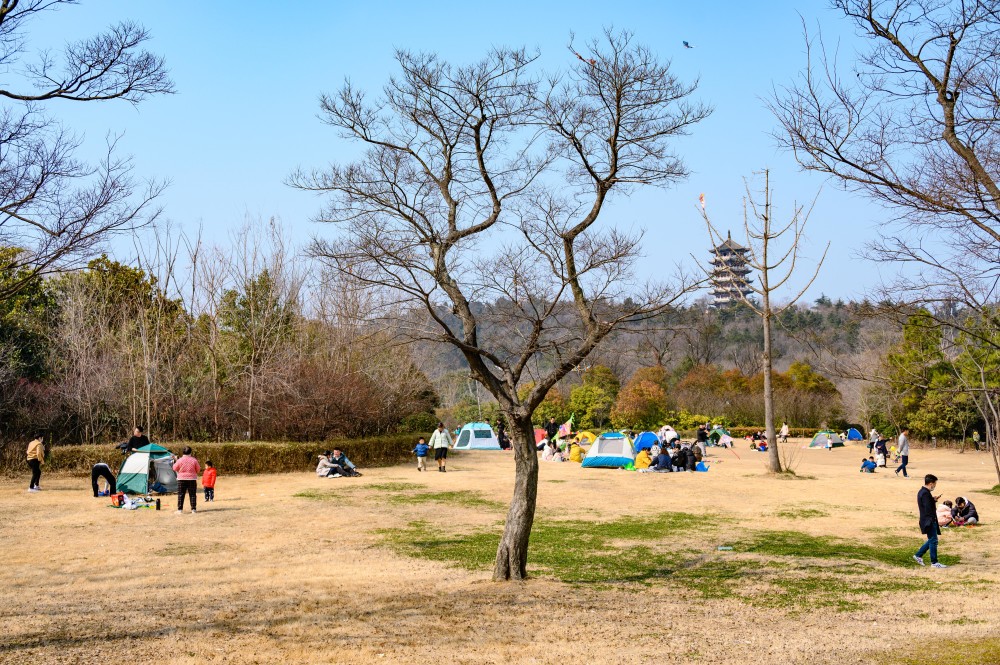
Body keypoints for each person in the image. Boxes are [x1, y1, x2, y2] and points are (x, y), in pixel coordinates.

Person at [914, 474, 947, 568]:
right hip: (928, 520)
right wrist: (933, 520)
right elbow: (927, 508)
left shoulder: (923, 492)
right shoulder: (925, 493)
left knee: (932, 540)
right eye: (935, 484)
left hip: (927, 519)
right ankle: (934, 562)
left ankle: (918, 555)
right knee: (933, 540)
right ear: (931, 483)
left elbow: (927, 504)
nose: (935, 486)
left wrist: (933, 500)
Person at [172, 446, 200, 514]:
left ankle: (180, 509)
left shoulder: (180, 460)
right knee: (192, 494)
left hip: (181, 479)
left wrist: (175, 461)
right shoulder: (194, 460)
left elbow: (174, 468)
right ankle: (193, 509)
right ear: (190, 452)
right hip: (192, 479)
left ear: (183, 452)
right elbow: (198, 469)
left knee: (181, 494)